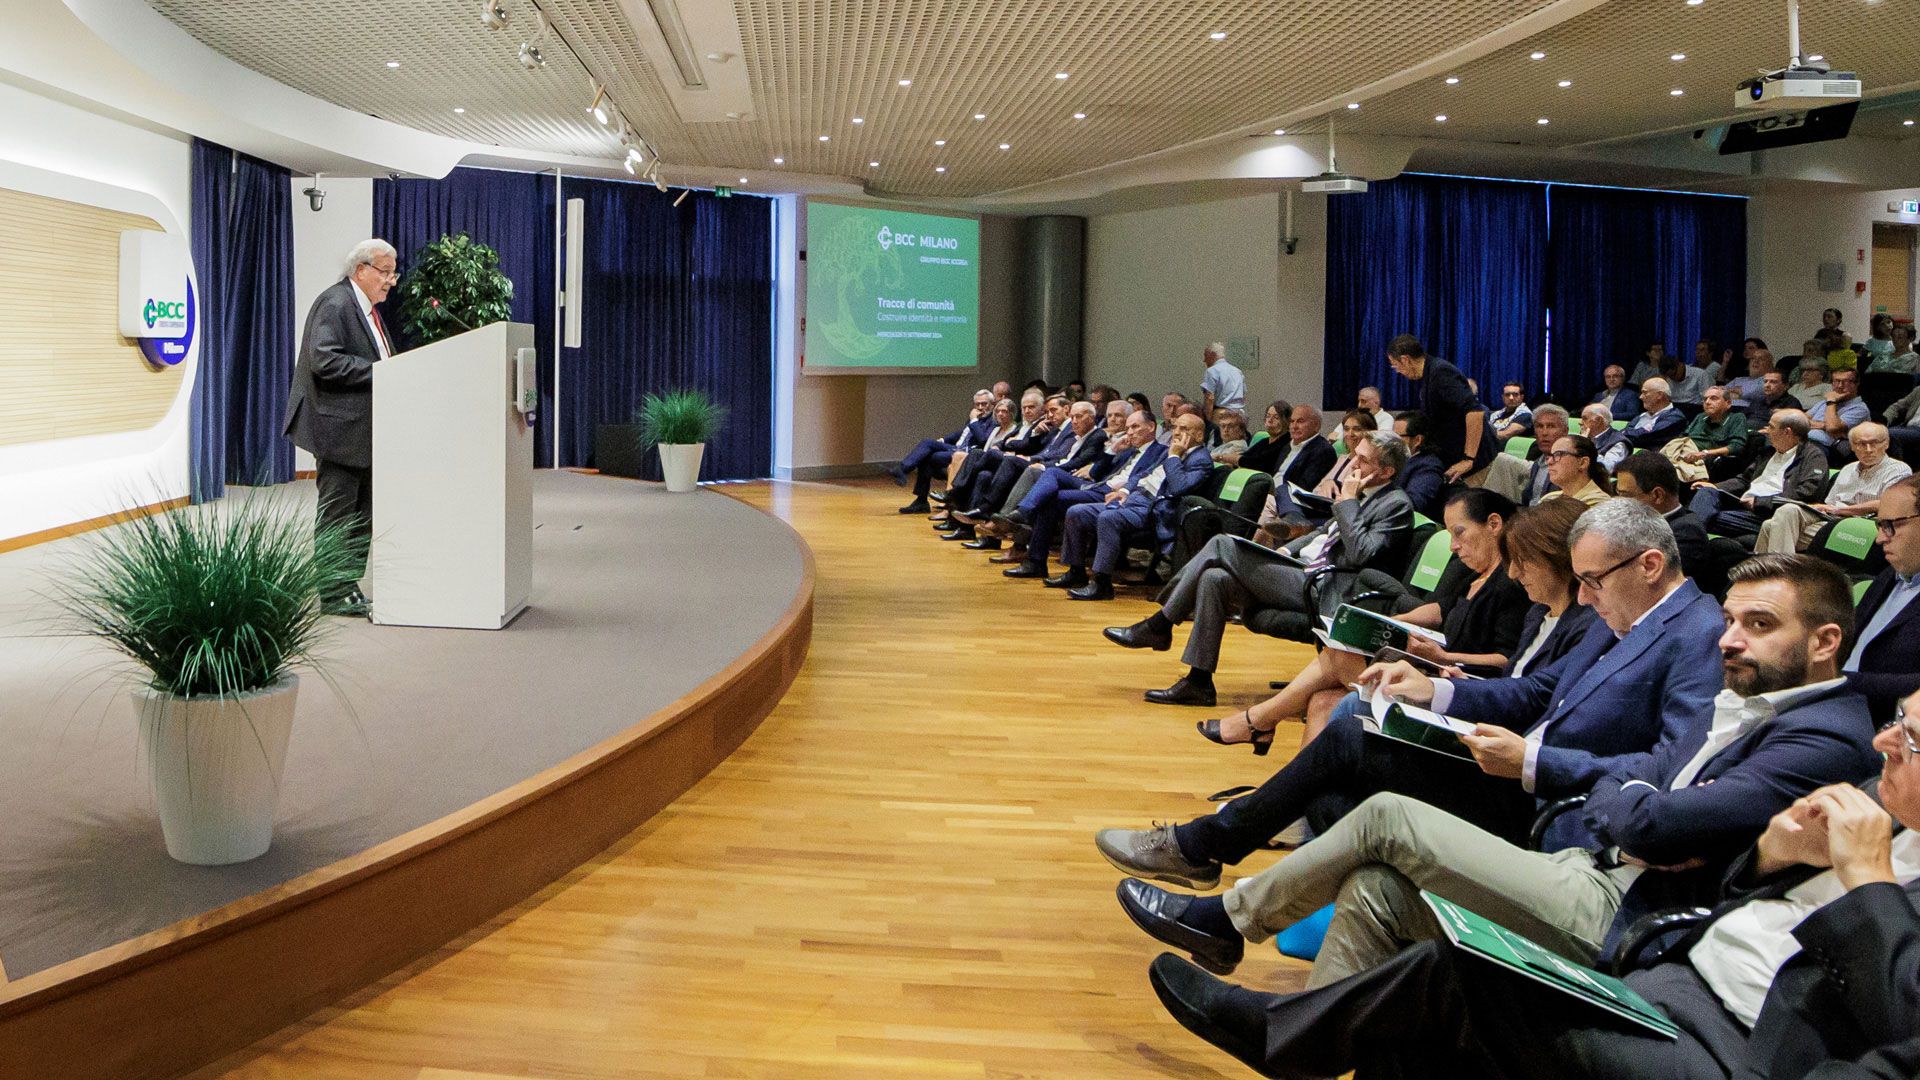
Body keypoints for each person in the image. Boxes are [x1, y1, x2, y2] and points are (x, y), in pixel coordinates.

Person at [1117, 553, 1878, 994]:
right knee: (1372, 858)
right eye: (1736, 621)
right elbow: (1567, 713)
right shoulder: (1680, 651)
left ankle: (1224, 904)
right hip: (1583, 826)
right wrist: (1438, 691)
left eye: (1758, 625)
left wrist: (1580, 778)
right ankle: (1294, 1031)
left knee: (1379, 802)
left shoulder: (1798, 717)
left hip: (1605, 870)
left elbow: (1655, 806)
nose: (1731, 639)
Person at [1143, 688, 1918, 1080]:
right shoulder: (1878, 805)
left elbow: (1903, 1015)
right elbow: (1646, 787)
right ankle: (1299, 1035)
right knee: (1380, 888)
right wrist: (1773, 858)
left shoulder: (1829, 746)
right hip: (1665, 961)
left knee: (1448, 957)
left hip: (1739, 1047)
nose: (1885, 739)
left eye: (1909, 735)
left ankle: (1274, 1011)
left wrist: (1866, 882)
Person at [1097, 499, 1592, 889]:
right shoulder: (1542, 610)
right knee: (1328, 754)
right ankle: (1243, 864)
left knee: (1350, 717)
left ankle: (1210, 834)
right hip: (1473, 710)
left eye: (1524, 562)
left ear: (1560, 561)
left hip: (1497, 758)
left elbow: (1529, 694)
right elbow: (1524, 684)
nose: (1514, 572)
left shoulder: (1580, 623)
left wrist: (1443, 683)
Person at [1122, 486, 1527, 744]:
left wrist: (1444, 657)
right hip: (1421, 659)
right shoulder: (1470, 571)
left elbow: (1506, 661)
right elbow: (1438, 610)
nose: (1453, 545)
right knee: (1320, 701)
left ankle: (1257, 719)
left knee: (1224, 547)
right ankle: (1295, 812)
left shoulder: (1510, 582)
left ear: (1494, 525)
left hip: (1454, 684)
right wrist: (1393, 625)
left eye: (1459, 533)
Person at [1098, 431, 1412, 704]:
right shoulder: (1361, 494)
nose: (1353, 464)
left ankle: (1160, 623)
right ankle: (1198, 682)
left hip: (1326, 587)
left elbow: (1361, 553)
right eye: (1355, 456)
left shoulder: (1396, 505)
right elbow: (1323, 533)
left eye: (1363, 460)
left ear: (1387, 471)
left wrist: (1347, 502)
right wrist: (1286, 550)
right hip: (1300, 568)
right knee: (1215, 578)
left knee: (1222, 544)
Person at [285, 238, 399, 617]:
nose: (390, 281)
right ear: (360, 270)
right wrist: (381, 372)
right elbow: (324, 360)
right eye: (385, 272)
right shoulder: (335, 304)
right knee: (338, 514)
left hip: (363, 431)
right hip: (338, 431)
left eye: (393, 274)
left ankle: (348, 585)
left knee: (361, 514)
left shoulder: (365, 309)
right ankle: (333, 593)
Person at [1051, 412, 1211, 600]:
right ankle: (1076, 572)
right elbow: (1144, 474)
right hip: (1135, 499)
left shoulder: (1200, 459)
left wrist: (1174, 457)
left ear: (1199, 435)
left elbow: (1179, 487)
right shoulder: (1170, 450)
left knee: (1108, 518)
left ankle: (1102, 584)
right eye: (1175, 427)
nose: (1176, 433)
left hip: (1155, 510)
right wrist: (1125, 490)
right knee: (1077, 512)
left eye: (1184, 429)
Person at [998, 410, 1165, 580]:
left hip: (1113, 495)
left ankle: (1036, 549)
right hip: (1097, 486)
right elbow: (1095, 472)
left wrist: (1125, 489)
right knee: (1052, 477)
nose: (1129, 432)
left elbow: (1145, 478)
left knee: (1050, 495)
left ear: (1151, 427)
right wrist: (1113, 450)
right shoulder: (1127, 451)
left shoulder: (1160, 452)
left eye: (1135, 427)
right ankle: (1037, 557)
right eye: (1128, 428)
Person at [1757, 423, 1911, 555]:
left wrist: (1841, 510)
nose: (1868, 449)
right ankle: (1763, 573)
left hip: (1861, 523)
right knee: (1786, 511)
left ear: (1886, 444)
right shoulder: (1847, 469)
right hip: (1831, 518)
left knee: (1772, 528)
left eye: (1874, 443)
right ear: (1852, 446)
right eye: (1861, 444)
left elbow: (1886, 503)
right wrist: (1822, 508)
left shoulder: (1898, 469)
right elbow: (1830, 503)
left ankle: (1776, 573)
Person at [1687, 409, 1829, 540]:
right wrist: (1716, 486)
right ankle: (1690, 535)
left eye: (1771, 427)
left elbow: (1806, 494)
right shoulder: (1768, 452)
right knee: (1707, 492)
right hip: (1743, 504)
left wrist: (1760, 502)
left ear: (1787, 432)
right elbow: (1744, 480)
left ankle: (1688, 538)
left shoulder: (1813, 456)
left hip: (1771, 513)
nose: (1766, 431)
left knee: (1707, 517)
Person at [1847, 476, 1920, 722]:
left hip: (1888, 730)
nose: (1880, 538)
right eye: (1879, 525)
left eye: (1890, 525)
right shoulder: (1890, 575)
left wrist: (1838, 683)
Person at [1386, 334, 1490, 483]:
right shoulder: (1429, 374)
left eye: (1395, 365)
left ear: (1405, 360)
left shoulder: (1441, 372)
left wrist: (1468, 459)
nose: (1398, 371)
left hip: (1475, 464)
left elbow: (1474, 412)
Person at [890, 388, 996, 513]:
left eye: (984, 404)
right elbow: (962, 433)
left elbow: (983, 440)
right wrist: (943, 440)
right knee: (927, 445)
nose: (980, 407)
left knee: (927, 454)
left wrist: (973, 421)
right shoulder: (976, 418)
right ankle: (919, 498)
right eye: (977, 404)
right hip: (956, 448)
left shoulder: (993, 420)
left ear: (992, 404)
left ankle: (907, 476)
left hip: (967, 454)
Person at [1613, 450, 1711, 581]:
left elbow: (1648, 582)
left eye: (1626, 495)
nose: (1619, 502)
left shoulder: (1687, 533)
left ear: (1658, 495)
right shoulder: (1636, 522)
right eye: (1618, 493)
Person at [1481, 404, 1567, 506]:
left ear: (1565, 431)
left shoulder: (1569, 463)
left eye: (1551, 426)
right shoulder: (1539, 462)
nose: (1544, 433)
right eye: (1539, 426)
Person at [1679, 385, 1751, 480]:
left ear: (1728, 403)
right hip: (1685, 453)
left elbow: (1736, 447)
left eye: (1713, 398)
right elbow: (1683, 436)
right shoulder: (1700, 417)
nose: (1707, 402)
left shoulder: (1736, 418)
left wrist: (1705, 453)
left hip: (1706, 461)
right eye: (1705, 399)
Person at [1390, 411, 1449, 521]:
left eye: (1397, 437)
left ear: (1417, 440)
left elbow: (1412, 504)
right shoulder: (1397, 458)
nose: (1392, 442)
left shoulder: (1428, 466)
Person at [1810, 367, 1872, 458]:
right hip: (1803, 440)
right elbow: (1799, 420)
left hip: (1826, 448)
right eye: (1836, 381)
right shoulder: (1823, 403)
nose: (1840, 386)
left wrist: (1831, 402)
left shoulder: (1860, 409)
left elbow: (1832, 427)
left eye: (1845, 381)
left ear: (1856, 384)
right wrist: (1823, 425)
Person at [1271, 405, 1336, 492]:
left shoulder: (1323, 451)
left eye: (1300, 421)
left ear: (1316, 425)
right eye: (1292, 421)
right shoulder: (1287, 446)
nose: (1294, 426)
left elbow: (1304, 488)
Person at [1537, 434, 1612, 508]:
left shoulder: (1599, 503)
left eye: (1558, 454)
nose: (1549, 462)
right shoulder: (1549, 498)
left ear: (1583, 463)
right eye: (1549, 456)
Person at [1624, 377, 1687, 451]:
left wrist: (1627, 434)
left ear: (1659, 395)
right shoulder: (1641, 415)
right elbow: (1625, 432)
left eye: (1645, 393)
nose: (1641, 397)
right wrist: (1642, 430)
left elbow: (1647, 436)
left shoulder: (1675, 417)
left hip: (1651, 455)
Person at [1580, 403, 1631, 472]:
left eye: (1585, 419)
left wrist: (1586, 446)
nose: (1580, 422)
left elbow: (1607, 468)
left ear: (1598, 420)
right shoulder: (1586, 437)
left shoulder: (1618, 442)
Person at [1198, 342, 1245, 415]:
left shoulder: (1211, 371)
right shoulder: (1238, 371)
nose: (1204, 360)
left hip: (1222, 414)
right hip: (1239, 414)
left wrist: (1208, 418)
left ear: (1212, 354)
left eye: (1205, 356)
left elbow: (1209, 398)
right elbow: (1243, 393)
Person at [1724, 340, 1774, 407]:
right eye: (1753, 358)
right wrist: (1737, 393)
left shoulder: (1768, 381)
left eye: (1761, 359)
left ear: (1769, 365)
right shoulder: (1738, 379)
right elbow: (1721, 393)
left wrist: (1731, 392)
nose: (1756, 361)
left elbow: (1752, 392)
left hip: (1746, 411)